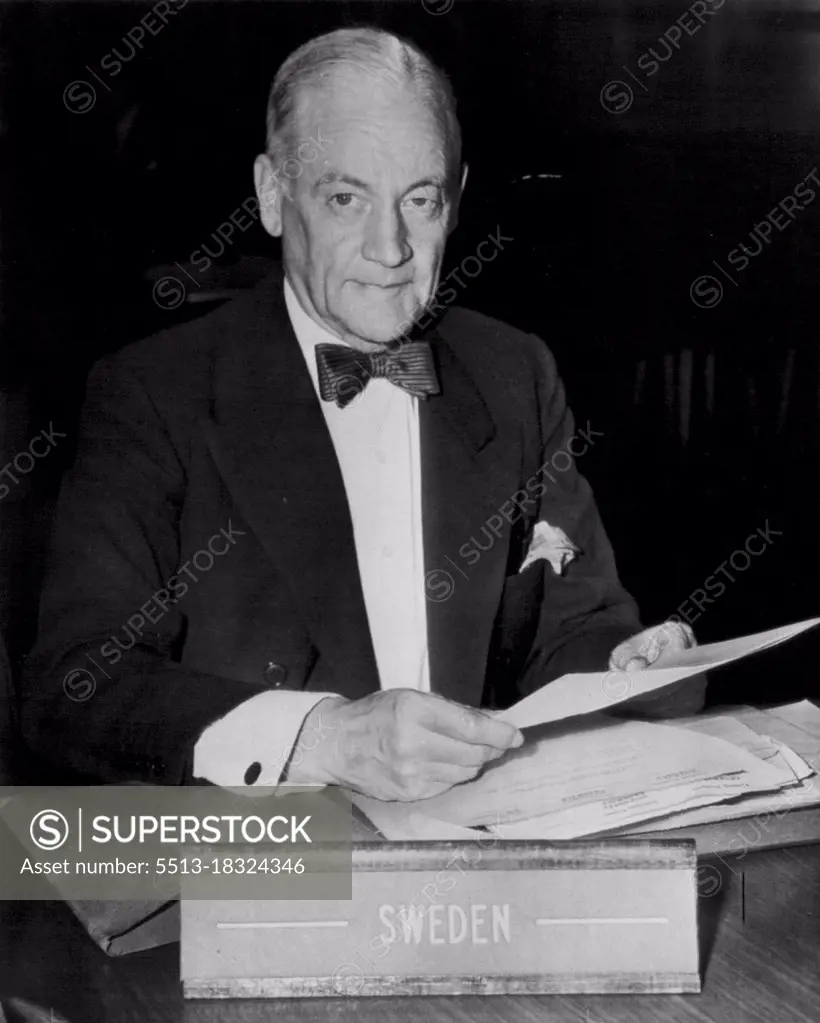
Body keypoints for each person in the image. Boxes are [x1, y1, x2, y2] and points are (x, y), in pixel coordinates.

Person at [21, 27, 705, 800]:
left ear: (456, 200)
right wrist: (320, 737)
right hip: (272, 869)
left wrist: (628, 664)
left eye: (420, 200)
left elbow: (576, 628)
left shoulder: (515, 372)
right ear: (273, 197)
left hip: (481, 861)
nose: (391, 248)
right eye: (347, 198)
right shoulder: (156, 392)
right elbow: (72, 683)